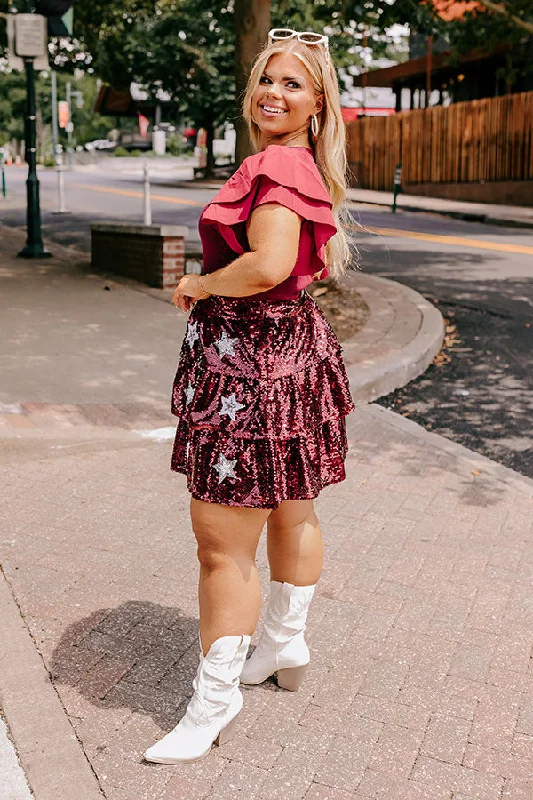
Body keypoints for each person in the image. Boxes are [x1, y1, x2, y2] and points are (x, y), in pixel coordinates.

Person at [144, 27, 354, 765]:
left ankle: (213, 700)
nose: (273, 92)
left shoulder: (276, 166)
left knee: (220, 550)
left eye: (292, 83)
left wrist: (200, 283)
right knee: (294, 512)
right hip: (298, 355)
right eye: (267, 79)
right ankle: (284, 646)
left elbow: (264, 265)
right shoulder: (303, 165)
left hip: (248, 369)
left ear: (317, 101)